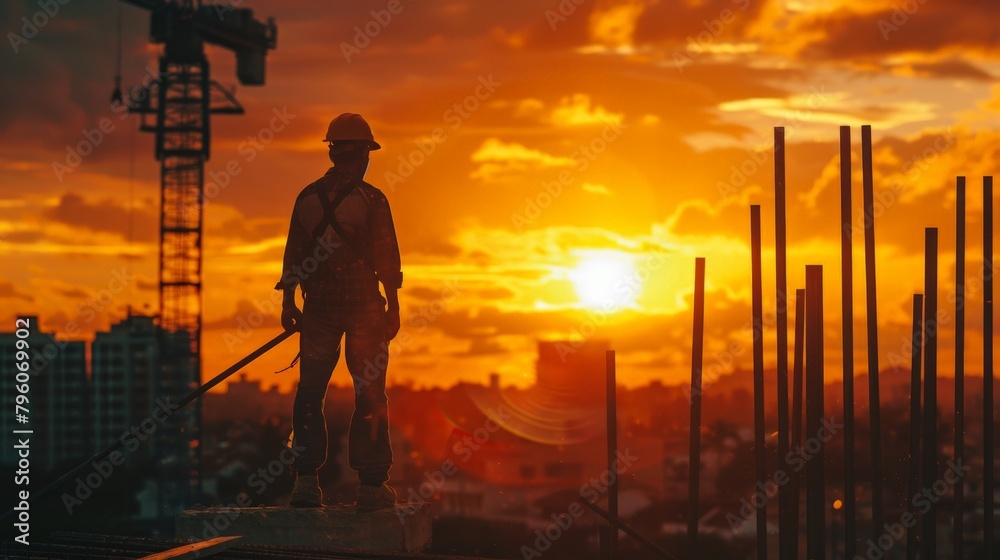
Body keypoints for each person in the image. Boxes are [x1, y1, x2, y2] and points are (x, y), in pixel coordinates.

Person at [274, 113, 402, 511]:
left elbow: (293, 255)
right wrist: (393, 310)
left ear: (332, 151)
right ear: (362, 153)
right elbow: (387, 263)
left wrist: (288, 303)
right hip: (364, 311)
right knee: (370, 396)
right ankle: (370, 485)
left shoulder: (307, 197)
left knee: (310, 393)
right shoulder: (372, 199)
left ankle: (306, 482)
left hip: (319, 312)